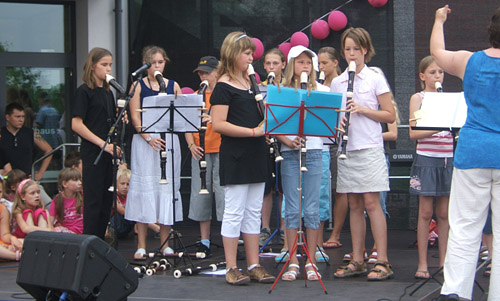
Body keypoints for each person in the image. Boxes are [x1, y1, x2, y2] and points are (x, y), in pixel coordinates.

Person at [430, 5, 500, 300]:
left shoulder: (469, 61)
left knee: (463, 229)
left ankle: (456, 294)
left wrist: (438, 20)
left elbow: (437, 52)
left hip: (473, 154)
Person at [211, 32, 275, 285]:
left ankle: (253, 264)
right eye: (247, 53)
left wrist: (265, 129)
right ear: (233, 54)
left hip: (256, 153)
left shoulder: (252, 83)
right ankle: (230, 267)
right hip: (236, 155)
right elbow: (218, 124)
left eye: (251, 53)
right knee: (234, 211)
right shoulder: (223, 85)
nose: (251, 58)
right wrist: (252, 132)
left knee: (253, 212)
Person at [331, 27, 395, 281]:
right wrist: (338, 122)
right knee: (354, 204)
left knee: (372, 202)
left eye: (356, 49)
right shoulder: (337, 82)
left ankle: (382, 260)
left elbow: (389, 115)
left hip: (369, 147)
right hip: (348, 149)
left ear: (365, 50)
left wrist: (362, 109)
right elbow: (332, 115)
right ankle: (358, 259)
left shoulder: (375, 77)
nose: (351, 54)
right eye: (347, 49)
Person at [125, 45, 183, 260]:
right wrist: (148, 138)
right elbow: (135, 119)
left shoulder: (173, 85)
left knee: (165, 189)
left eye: (161, 62)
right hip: (145, 143)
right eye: (154, 63)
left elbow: (180, 115)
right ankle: (141, 245)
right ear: (146, 66)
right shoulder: (137, 85)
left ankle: (165, 244)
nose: (158, 66)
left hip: (168, 141)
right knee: (145, 190)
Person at [275, 45, 325, 281]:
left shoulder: (322, 90)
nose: (305, 66)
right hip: (290, 152)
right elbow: (272, 124)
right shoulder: (282, 90)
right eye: (300, 62)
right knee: (292, 208)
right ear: (291, 65)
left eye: (308, 62)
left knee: (313, 207)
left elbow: (330, 124)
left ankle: (312, 261)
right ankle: (293, 260)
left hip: (314, 152)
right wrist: (288, 139)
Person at [408, 56, 452, 279]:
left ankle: (444, 262)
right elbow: (414, 133)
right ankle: (423, 263)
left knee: (444, 213)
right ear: (422, 76)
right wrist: (437, 127)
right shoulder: (419, 98)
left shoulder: (449, 99)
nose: (437, 76)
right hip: (426, 158)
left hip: (447, 159)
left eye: (441, 72)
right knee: (425, 212)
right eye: (433, 72)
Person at [72, 47, 121, 239]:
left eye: (110, 65)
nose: (108, 69)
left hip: (108, 152)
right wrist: (102, 144)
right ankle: (89, 243)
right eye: (104, 65)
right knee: (93, 201)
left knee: (106, 200)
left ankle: (99, 242)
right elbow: (76, 124)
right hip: (94, 152)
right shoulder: (84, 91)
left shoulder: (108, 93)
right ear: (93, 66)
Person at [186, 55, 224, 257]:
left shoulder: (224, 94)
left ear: (217, 72)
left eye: (207, 72)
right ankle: (205, 240)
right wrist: (191, 144)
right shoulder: (194, 95)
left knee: (224, 195)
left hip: (221, 149)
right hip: (200, 151)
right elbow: (185, 123)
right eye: (200, 73)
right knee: (202, 194)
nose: (203, 76)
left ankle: (229, 238)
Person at [317, 47, 347, 251]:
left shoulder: (342, 83)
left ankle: (335, 233)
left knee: (339, 187)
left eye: (324, 63)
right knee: (319, 188)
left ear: (336, 63)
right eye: (318, 63)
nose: (320, 67)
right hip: (320, 143)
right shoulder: (317, 85)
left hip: (338, 141)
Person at [259, 48, 286, 247]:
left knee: (284, 188)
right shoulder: (259, 88)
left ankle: (285, 228)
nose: (271, 67)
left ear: (283, 65)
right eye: (268, 63)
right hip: (265, 141)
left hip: (284, 141)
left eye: (275, 63)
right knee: (266, 188)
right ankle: (265, 228)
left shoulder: (288, 86)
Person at [0, 102, 53, 181]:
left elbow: (49, 150)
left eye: (23, 117)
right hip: (6, 180)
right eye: (17, 117)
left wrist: (40, 173)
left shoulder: (30, 133)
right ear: (8, 117)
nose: (21, 120)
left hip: (26, 180)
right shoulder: (1, 133)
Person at [49, 168, 83, 234]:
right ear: (64, 184)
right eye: (75, 180)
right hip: (66, 234)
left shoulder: (83, 196)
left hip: (82, 233)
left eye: (80, 180)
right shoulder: (57, 200)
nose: (80, 183)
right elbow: (50, 222)